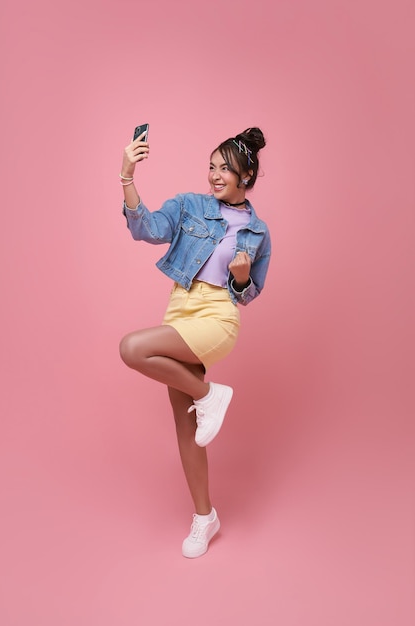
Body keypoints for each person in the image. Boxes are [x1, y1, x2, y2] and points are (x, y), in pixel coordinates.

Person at [119, 127, 271, 558]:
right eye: (212, 166)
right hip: (179, 311)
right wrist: (127, 176)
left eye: (225, 168)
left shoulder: (258, 232)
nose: (215, 175)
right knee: (187, 428)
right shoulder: (190, 205)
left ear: (247, 175)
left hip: (217, 317)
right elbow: (146, 229)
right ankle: (205, 518)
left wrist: (241, 280)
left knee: (132, 348)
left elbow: (250, 291)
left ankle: (211, 394)